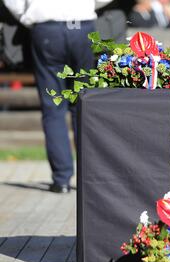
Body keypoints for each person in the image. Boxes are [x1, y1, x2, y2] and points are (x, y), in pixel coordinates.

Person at [4, 0, 112, 193]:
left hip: (47, 29)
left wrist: (28, 14)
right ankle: (90, 178)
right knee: (83, 105)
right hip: (82, 27)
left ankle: (62, 179)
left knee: (53, 107)